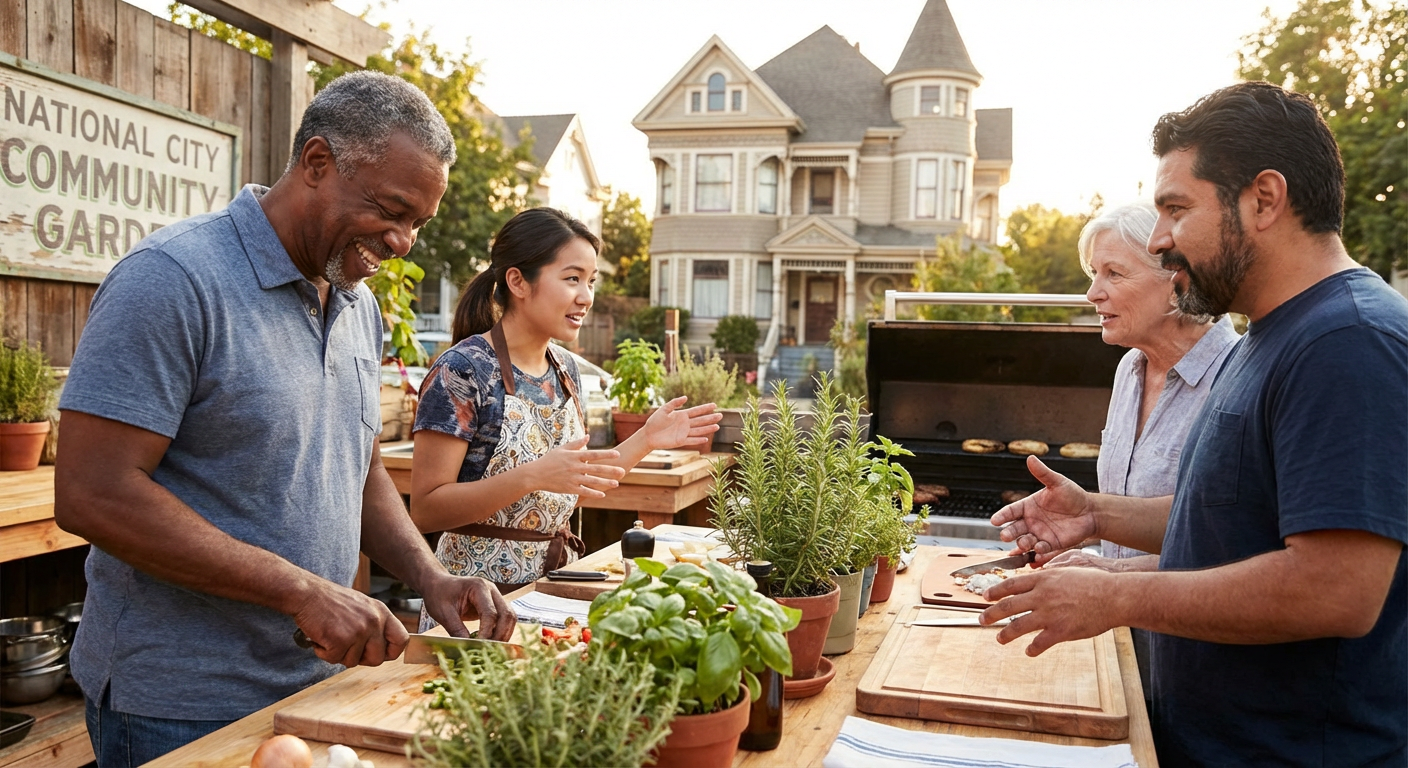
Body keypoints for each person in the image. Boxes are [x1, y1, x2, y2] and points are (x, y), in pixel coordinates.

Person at [53, 72, 515, 767]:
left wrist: (430, 578)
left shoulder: (357, 305)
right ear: (317, 163)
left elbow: (354, 467)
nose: (404, 241)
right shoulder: (173, 279)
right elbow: (92, 491)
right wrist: (298, 590)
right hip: (179, 703)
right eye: (392, 209)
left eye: (419, 222)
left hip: (317, 685)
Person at [983, 82, 1406, 766]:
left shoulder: (1347, 340)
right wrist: (1096, 514)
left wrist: (1116, 594)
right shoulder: (1278, 335)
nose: (1160, 239)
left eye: (1177, 209)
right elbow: (1233, 514)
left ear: (1263, 199)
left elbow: (1336, 590)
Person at [409, 207, 720, 606]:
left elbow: (573, 482)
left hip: (553, 591)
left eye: (591, 281)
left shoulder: (565, 368)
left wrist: (648, 438)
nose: (586, 297)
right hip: (475, 604)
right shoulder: (463, 371)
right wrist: (532, 476)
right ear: (518, 281)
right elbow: (426, 510)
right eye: (572, 279)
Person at [1042, 200, 1238, 698]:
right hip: (1119, 654)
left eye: (1113, 273)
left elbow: (1228, 550)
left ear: (1175, 281)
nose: (1092, 292)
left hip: (1197, 675)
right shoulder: (1129, 368)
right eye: (1093, 273)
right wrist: (1086, 523)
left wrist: (1110, 577)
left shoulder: (1237, 381)